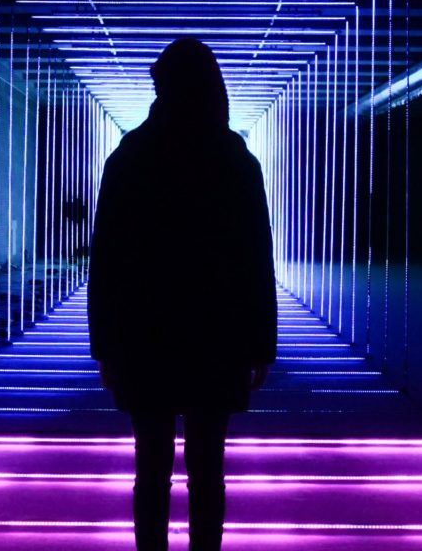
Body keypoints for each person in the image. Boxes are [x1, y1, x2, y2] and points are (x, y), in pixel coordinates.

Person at [87, 38, 277, 551]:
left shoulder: (129, 159)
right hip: (216, 338)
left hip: (145, 337)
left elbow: (105, 259)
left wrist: (104, 344)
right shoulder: (236, 163)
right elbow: (256, 258)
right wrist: (261, 343)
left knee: (151, 469)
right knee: (207, 472)